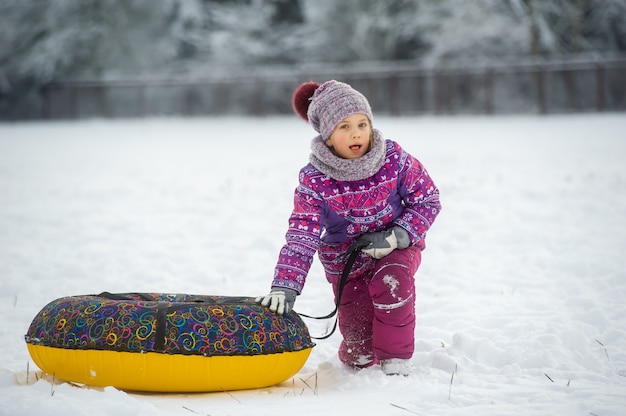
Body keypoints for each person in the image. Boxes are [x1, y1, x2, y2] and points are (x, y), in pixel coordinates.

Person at [256, 80, 441, 376]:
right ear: (328, 137)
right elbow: (302, 234)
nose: (356, 132)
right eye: (344, 127)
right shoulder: (314, 179)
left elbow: (428, 200)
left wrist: (396, 237)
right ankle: (360, 356)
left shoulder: (393, 158)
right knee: (359, 351)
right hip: (347, 260)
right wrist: (285, 285)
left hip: (395, 248)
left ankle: (395, 360)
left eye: (362, 123)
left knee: (391, 280)